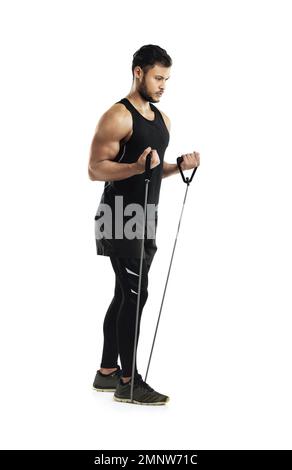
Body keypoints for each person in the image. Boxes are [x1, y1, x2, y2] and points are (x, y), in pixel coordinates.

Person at [88, 44, 200, 405]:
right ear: (138, 72)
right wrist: (135, 167)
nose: (163, 85)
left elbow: (153, 169)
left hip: (144, 219)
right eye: (157, 77)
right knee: (136, 296)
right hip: (118, 215)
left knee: (126, 294)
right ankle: (128, 381)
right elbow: (95, 168)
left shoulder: (162, 121)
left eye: (167, 79)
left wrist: (178, 167)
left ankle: (106, 372)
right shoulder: (117, 117)